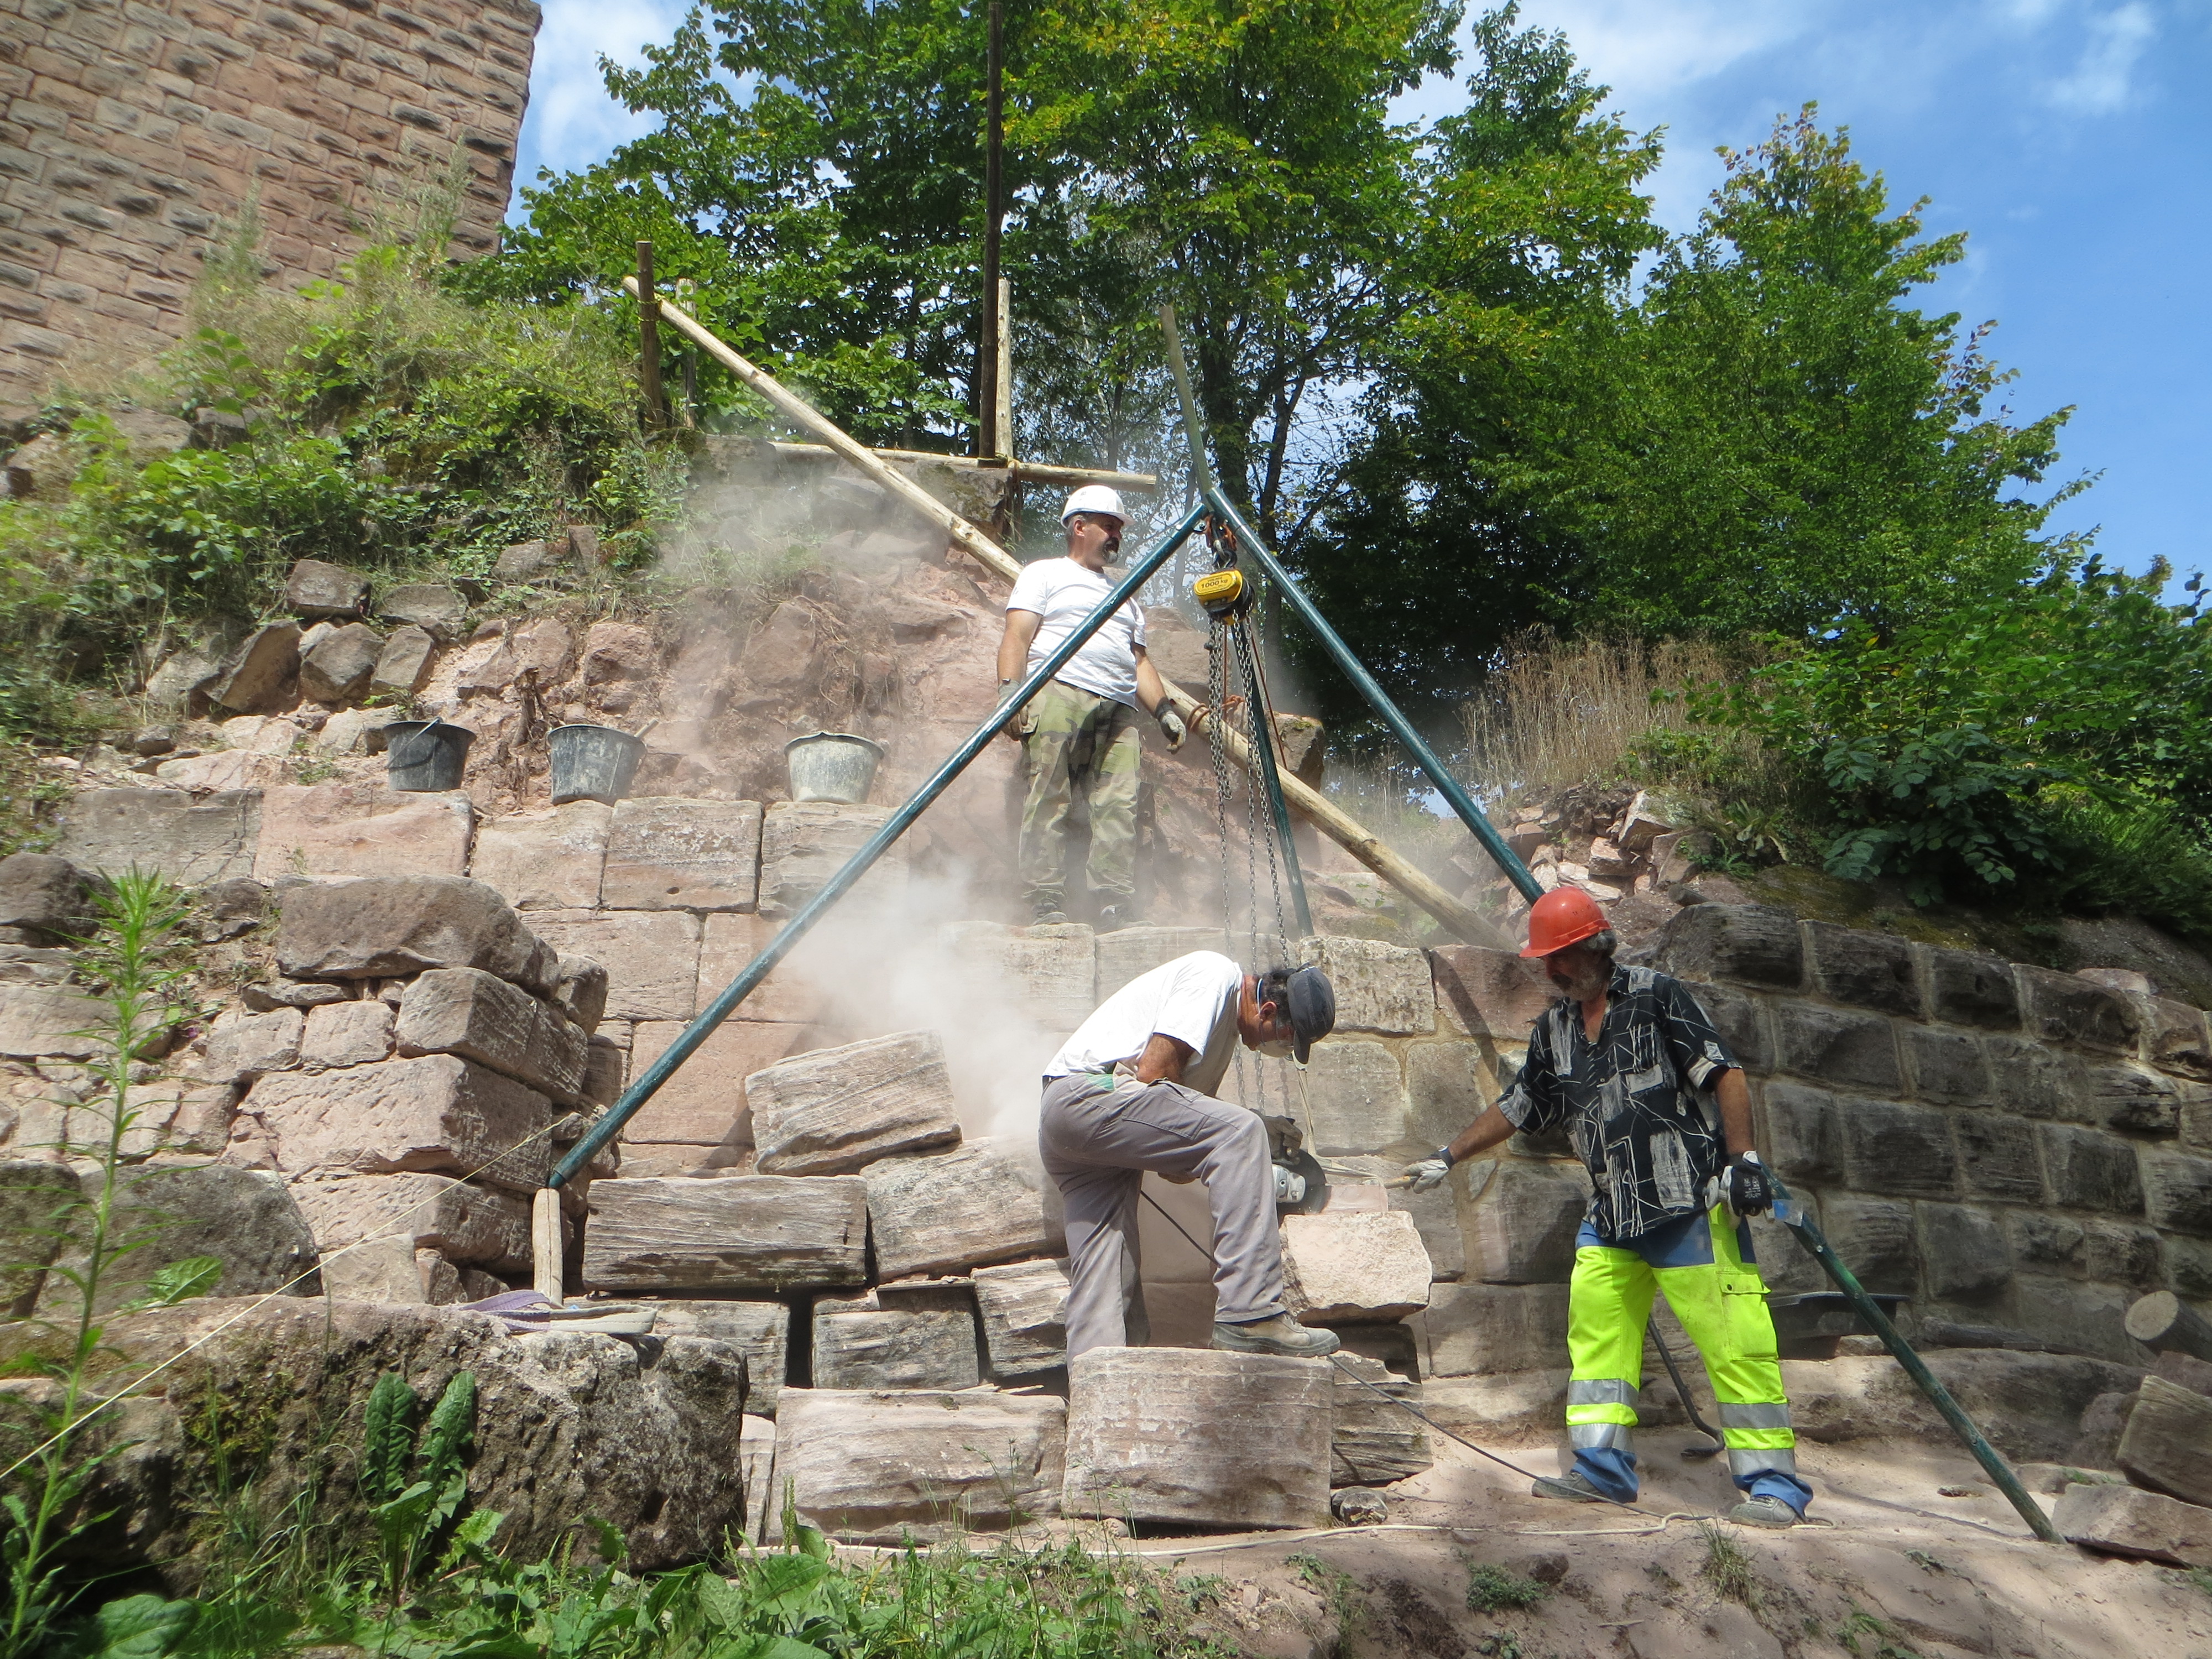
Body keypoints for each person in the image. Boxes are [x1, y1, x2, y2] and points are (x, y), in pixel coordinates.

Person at [1402, 887, 1811, 1528]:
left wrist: (1744, 1161)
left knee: (1736, 1346)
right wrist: (1447, 1156)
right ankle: (1600, 1474)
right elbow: (1520, 1106)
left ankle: (1774, 1489)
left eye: (1561, 956)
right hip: (1611, 1219)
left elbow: (1723, 1072)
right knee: (1597, 1349)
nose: (1552, 970)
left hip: (1687, 1207)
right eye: (1546, 960)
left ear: (1597, 946)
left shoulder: (1656, 996)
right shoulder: (1555, 1029)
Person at [1040, 951, 1340, 1360]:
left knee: (1106, 1263)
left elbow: (1180, 1136)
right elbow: (1155, 1072)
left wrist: (1250, 1138)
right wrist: (1252, 1133)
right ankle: (1252, 1312)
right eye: (1287, 1039)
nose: (1283, 1049)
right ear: (1268, 1010)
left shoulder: (1220, 1034)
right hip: (1092, 1096)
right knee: (1242, 1132)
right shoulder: (1214, 973)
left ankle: (1099, 1377)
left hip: (1067, 1120)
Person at [997, 484, 1188, 930]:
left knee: (1119, 805)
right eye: (1109, 525)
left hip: (1119, 708)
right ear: (1079, 526)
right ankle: (1045, 900)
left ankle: (1114, 905)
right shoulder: (1044, 573)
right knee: (1049, 795)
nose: (1116, 534)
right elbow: (1017, 636)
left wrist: (1164, 710)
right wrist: (1010, 693)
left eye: (1119, 528)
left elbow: (1140, 662)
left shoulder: (1126, 597)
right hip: (1057, 692)